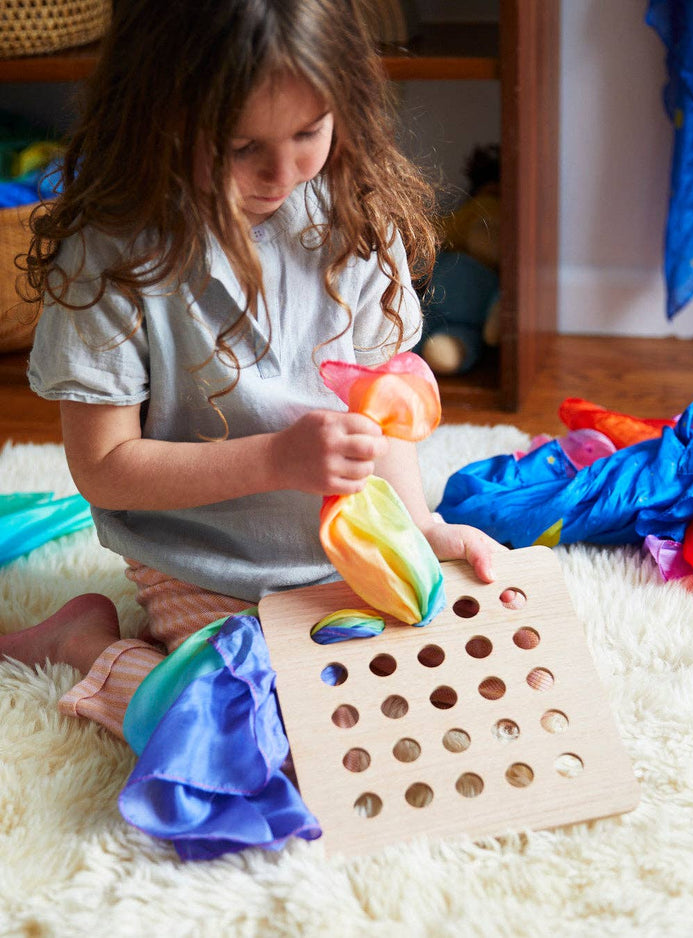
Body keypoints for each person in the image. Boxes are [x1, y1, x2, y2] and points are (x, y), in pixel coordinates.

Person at [2, 0, 499, 741]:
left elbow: (382, 405)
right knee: (248, 736)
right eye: (239, 147)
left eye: (309, 133)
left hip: (339, 551)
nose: (282, 172)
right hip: (201, 560)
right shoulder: (112, 253)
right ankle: (84, 644)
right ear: (157, 118)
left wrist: (419, 525)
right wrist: (277, 458)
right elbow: (104, 468)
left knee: (415, 703)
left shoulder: (356, 215)